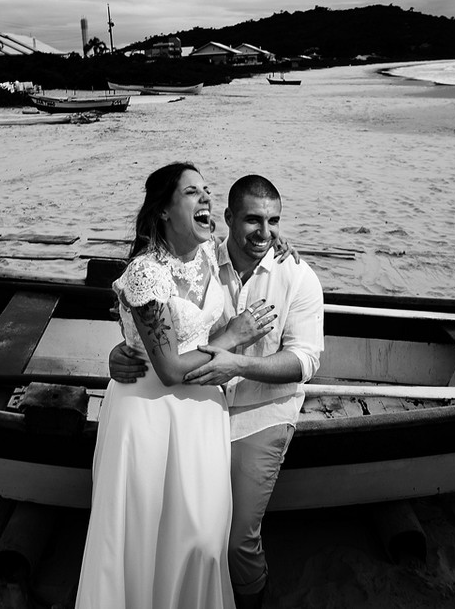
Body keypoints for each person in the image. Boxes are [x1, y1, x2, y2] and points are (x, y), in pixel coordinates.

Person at [109, 174, 325, 609]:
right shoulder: (203, 254)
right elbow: (158, 320)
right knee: (173, 530)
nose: (265, 233)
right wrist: (122, 348)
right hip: (196, 411)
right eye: (253, 221)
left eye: (274, 222)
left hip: (257, 414)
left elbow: (305, 362)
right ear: (228, 219)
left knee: (229, 541)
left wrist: (238, 363)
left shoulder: (297, 277)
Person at [75, 162, 276, 609]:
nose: (206, 199)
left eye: (207, 192)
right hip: (149, 416)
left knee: (204, 541)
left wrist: (279, 241)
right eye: (192, 193)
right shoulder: (147, 273)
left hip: (201, 419)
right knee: (143, 544)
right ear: (164, 211)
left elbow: (253, 240)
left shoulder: (209, 254)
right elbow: (167, 366)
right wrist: (232, 338)